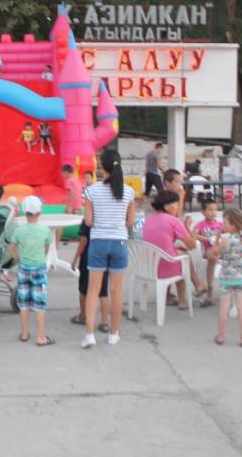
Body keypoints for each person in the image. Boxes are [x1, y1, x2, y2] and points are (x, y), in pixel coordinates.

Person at [81, 149, 137, 348]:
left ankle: (89, 335)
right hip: (119, 242)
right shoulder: (129, 192)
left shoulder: (91, 191)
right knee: (117, 290)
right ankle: (114, 334)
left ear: (101, 166)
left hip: (98, 242)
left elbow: (88, 221)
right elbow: (130, 222)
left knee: (93, 290)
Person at [8, 196, 53, 346]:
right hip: (39, 269)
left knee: (24, 302)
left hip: (24, 269)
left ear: (25, 212)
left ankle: (24, 333)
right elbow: (46, 248)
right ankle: (41, 337)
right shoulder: (45, 230)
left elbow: (11, 248)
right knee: (40, 304)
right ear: (39, 212)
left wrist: (18, 258)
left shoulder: (19, 230)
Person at [143, 190, 197, 311]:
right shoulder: (174, 220)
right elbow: (192, 244)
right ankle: (182, 301)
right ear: (166, 206)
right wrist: (188, 227)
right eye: (176, 204)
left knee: (172, 253)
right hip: (166, 265)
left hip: (148, 266)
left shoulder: (148, 219)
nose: (178, 207)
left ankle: (167, 297)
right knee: (182, 259)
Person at [209, 208, 242, 347]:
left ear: (233, 225)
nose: (223, 225)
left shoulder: (226, 240)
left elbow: (213, 253)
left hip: (226, 279)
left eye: (225, 223)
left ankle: (221, 336)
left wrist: (217, 238)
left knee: (224, 308)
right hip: (241, 278)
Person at [70, 218, 109, 331]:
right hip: (104, 256)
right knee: (103, 291)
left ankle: (83, 316)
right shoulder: (106, 218)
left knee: (84, 289)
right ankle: (104, 322)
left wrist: (75, 258)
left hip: (88, 258)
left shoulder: (87, 220)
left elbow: (83, 241)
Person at [193, 199, 224, 302]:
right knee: (212, 257)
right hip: (209, 251)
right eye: (210, 210)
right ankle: (209, 289)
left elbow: (228, 233)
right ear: (203, 211)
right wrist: (207, 239)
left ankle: (209, 288)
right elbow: (194, 235)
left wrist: (220, 238)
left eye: (215, 210)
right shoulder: (201, 224)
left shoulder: (220, 224)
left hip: (220, 249)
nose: (213, 212)